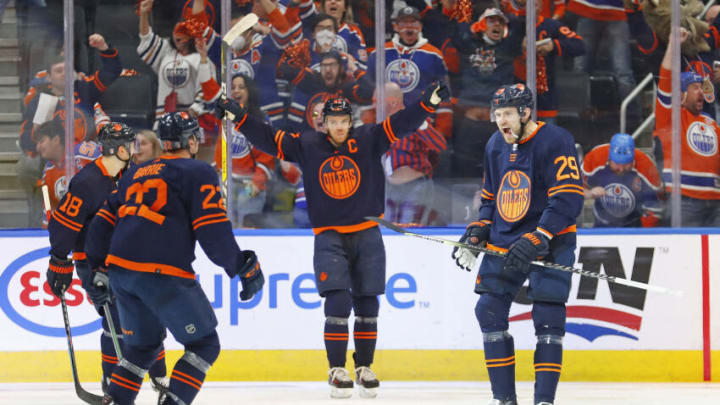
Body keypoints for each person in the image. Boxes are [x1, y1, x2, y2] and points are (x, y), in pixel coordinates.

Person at [217, 81, 450, 398]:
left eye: (343, 121)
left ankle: (364, 366)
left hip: (367, 232)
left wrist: (427, 103)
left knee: (368, 303)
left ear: (350, 121)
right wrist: (241, 118)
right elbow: (271, 140)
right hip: (329, 236)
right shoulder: (308, 144)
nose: (339, 127)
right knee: (338, 301)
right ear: (323, 123)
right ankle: (337, 368)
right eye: (333, 122)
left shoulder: (369, 138)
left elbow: (401, 123)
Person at [85, 112, 264, 405]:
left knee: (141, 350)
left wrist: (97, 267)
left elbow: (102, 222)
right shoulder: (198, 172)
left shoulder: (133, 173)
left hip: (122, 273)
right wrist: (241, 266)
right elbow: (212, 230)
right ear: (192, 140)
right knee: (204, 345)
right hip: (162, 272)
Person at [451, 84, 583, 405]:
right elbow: (489, 198)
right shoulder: (496, 144)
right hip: (505, 240)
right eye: (497, 115)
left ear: (525, 113)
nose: (501, 121)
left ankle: (543, 401)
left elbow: (568, 197)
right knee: (489, 310)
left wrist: (540, 236)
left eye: (508, 114)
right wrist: (477, 231)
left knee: (549, 318)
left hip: (551, 241)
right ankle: (504, 400)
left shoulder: (556, 140)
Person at [44, 122, 168, 399]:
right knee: (118, 320)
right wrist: (58, 261)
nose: (135, 149)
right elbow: (64, 226)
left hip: (130, 261)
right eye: (130, 144)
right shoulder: (88, 182)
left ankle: (158, 376)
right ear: (120, 148)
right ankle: (113, 382)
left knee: (149, 316)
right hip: (95, 264)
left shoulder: (132, 174)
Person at [655, 28, 720, 226]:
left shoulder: (711, 123)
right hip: (683, 200)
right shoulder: (671, 117)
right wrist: (673, 46)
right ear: (680, 95)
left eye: (702, 87)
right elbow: (665, 78)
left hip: (716, 202)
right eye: (695, 87)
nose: (701, 91)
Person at [375, 82, 447, 226]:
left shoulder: (413, 119)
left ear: (393, 101)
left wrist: (421, 124)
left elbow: (440, 145)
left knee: (411, 231)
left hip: (415, 187)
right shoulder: (382, 123)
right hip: (389, 189)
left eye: (377, 101)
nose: (374, 106)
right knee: (388, 232)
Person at [582, 133, 663, 228]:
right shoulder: (595, 157)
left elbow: (654, 208)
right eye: (617, 163)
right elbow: (573, 187)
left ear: (633, 159)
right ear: (609, 158)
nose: (621, 169)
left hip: (633, 228)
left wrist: (643, 235)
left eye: (626, 164)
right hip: (601, 226)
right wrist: (589, 193)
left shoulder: (646, 167)